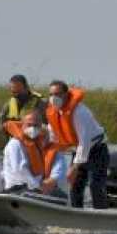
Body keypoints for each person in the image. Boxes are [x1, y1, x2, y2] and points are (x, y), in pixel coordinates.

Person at [46, 80, 109, 209]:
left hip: (97, 150)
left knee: (95, 186)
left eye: (57, 94)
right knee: (74, 186)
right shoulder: (54, 113)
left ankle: (101, 215)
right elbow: (52, 137)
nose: (54, 98)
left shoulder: (80, 112)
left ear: (67, 94)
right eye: (51, 94)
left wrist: (75, 167)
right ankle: (77, 213)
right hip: (78, 152)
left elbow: (84, 141)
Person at [2, 111, 68, 198]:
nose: (32, 128)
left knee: (62, 196)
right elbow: (20, 170)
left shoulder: (36, 144)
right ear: (22, 125)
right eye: (29, 125)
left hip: (34, 189)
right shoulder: (15, 144)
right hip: (17, 189)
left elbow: (59, 170)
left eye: (36, 126)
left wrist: (50, 182)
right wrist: (39, 187)